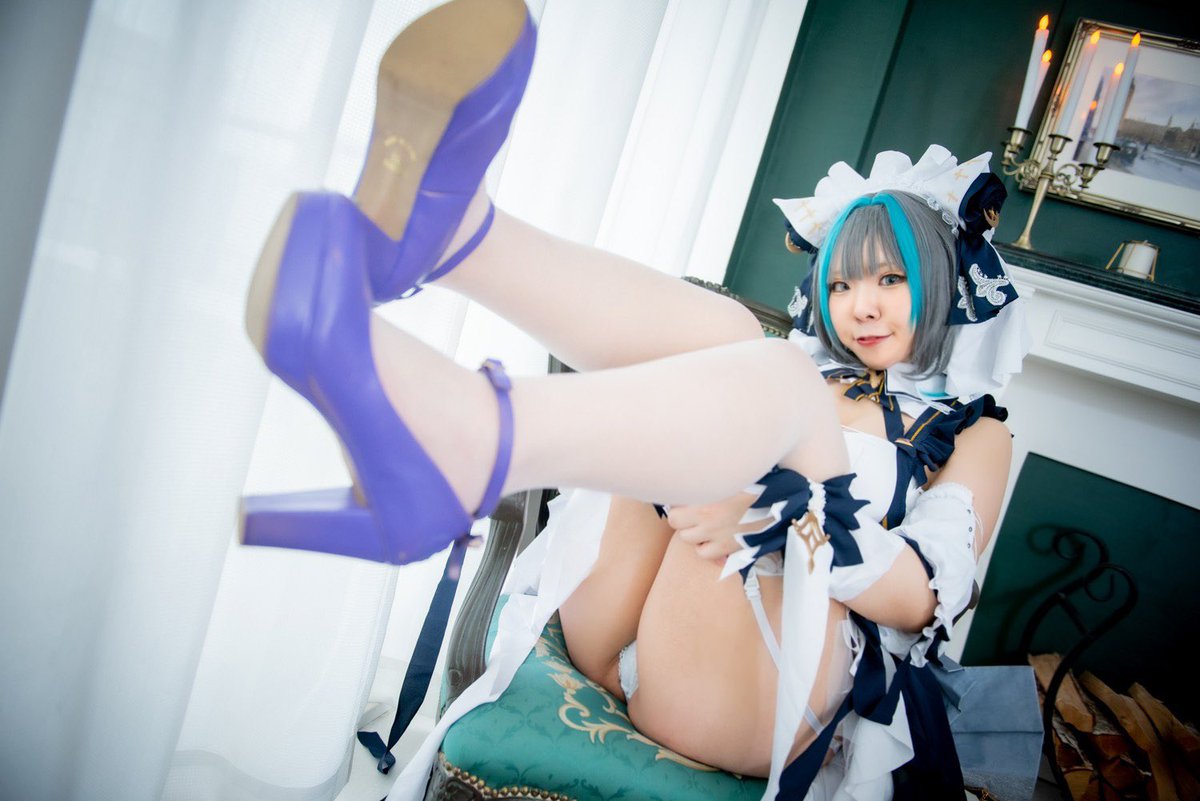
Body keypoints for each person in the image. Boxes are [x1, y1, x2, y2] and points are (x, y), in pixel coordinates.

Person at [239, 0, 1030, 798]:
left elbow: (920, 599)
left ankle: (473, 434)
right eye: (842, 282)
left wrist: (779, 515)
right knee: (736, 337)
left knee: (779, 380)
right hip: (620, 623)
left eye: (890, 278)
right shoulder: (793, 367)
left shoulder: (972, 432)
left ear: (943, 284)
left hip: (761, 702)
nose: (862, 304)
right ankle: (445, 235)